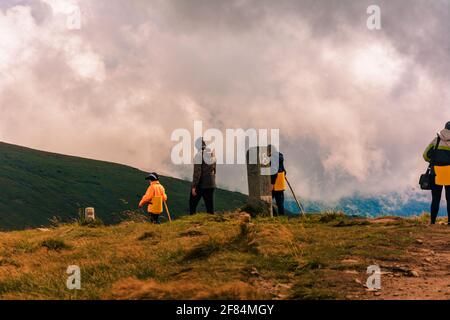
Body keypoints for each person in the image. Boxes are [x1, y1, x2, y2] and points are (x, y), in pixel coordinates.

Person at [423, 122, 450, 225]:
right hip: (449, 174)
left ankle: (433, 222)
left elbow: (425, 155)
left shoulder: (436, 140)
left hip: (436, 173)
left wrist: (434, 161)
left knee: (435, 198)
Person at [190, 138, 216, 215]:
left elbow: (197, 172)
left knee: (192, 203)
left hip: (202, 183)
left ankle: (192, 221)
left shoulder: (199, 155)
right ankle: (212, 223)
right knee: (209, 207)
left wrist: (194, 186)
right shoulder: (212, 154)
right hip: (211, 183)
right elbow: (214, 170)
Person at [268, 144, 286, 216]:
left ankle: (274, 216)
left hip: (274, 184)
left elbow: (274, 171)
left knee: (268, 201)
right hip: (280, 183)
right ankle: (281, 218)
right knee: (280, 203)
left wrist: (272, 184)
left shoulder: (272, 158)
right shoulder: (280, 157)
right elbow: (284, 171)